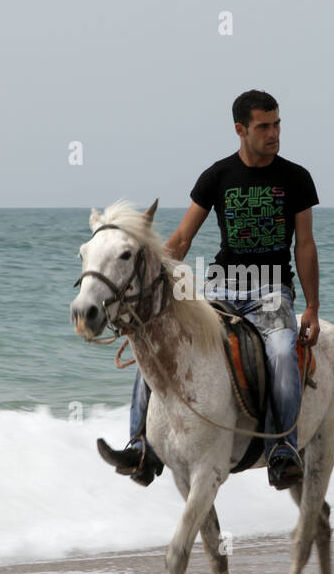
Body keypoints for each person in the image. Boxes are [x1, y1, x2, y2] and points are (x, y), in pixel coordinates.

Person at [97, 89, 320, 489]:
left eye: (277, 124)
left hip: (271, 292)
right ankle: (141, 448)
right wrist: (149, 276)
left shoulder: (296, 178)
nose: (274, 134)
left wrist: (312, 307)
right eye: (264, 126)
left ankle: (283, 451)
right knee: (155, 343)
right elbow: (182, 239)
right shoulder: (217, 176)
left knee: (284, 351)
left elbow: (304, 245)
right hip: (220, 287)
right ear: (241, 130)